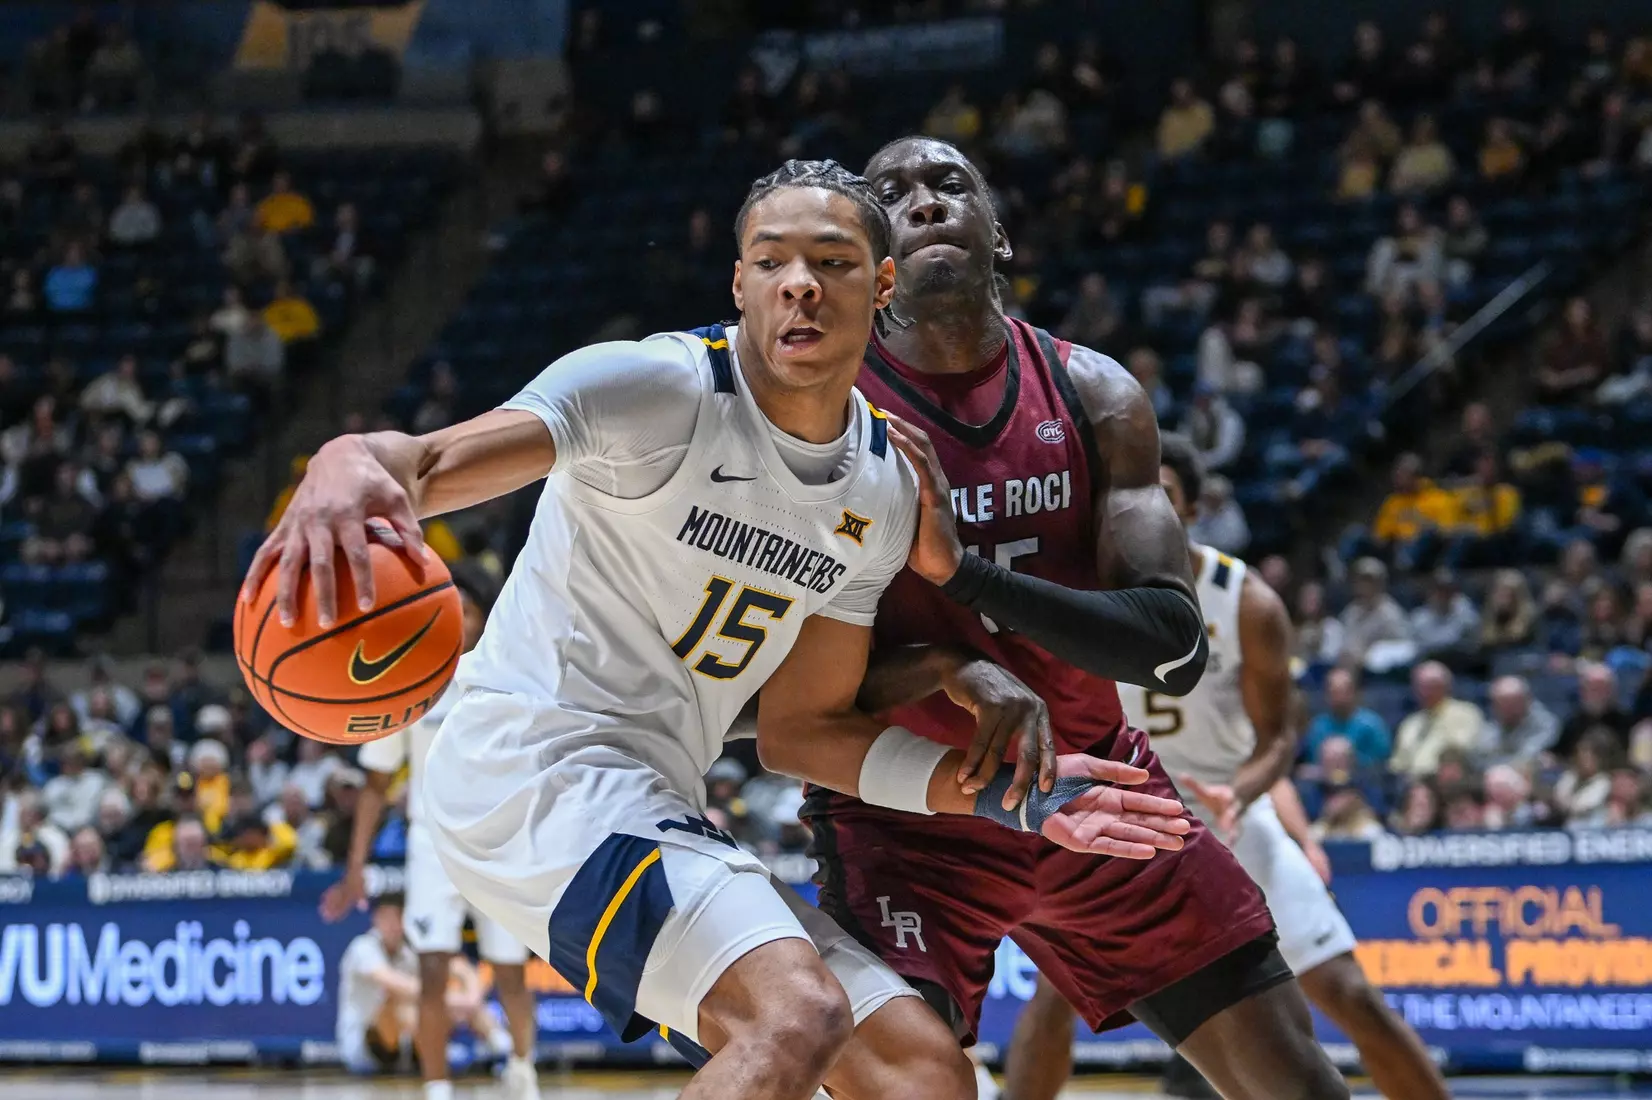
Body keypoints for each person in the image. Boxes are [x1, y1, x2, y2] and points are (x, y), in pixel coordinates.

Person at [246, 159, 1188, 1100]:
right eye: (771, 261)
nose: (799, 284)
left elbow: (804, 733)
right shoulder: (652, 388)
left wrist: (1008, 799)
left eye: (831, 261)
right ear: (739, 284)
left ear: (883, 283)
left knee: (920, 1072)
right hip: (530, 766)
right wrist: (343, 459)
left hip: (650, 790)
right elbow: (421, 464)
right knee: (795, 1015)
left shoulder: (882, 490)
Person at [811, 136, 1349, 1100]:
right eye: (892, 193)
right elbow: (782, 690)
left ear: (999, 234)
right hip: (909, 811)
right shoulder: (824, 419)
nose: (926, 202)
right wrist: (947, 666)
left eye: (950, 184)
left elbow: (1170, 644)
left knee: (1300, 1086)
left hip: (1095, 781)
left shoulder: (1095, 394)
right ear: (873, 261)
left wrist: (964, 575)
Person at [1000, 435, 1450, 1100]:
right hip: (1128, 819)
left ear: (1189, 508)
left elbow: (1277, 739)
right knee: (1052, 998)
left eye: (1161, 495)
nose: (1139, 510)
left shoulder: (1247, 601)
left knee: (1351, 995)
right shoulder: (1082, 591)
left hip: (1230, 815)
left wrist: (1240, 790)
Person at [322, 562, 541, 1100]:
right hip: (432, 845)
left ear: (485, 618)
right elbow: (375, 784)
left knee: (510, 971)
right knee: (432, 969)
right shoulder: (409, 682)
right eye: (451, 609)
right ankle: (436, 1087)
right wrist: (355, 868)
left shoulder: (511, 677)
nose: (460, 619)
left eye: (469, 610)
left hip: (499, 843)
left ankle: (522, 1068)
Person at [337, 892, 421, 1074]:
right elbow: (390, 981)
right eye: (386, 918)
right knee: (399, 1000)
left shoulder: (408, 953)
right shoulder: (362, 947)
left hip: (401, 1047)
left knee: (422, 1008)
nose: (392, 925)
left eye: (397, 918)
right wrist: (441, 996)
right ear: (376, 919)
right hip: (359, 1047)